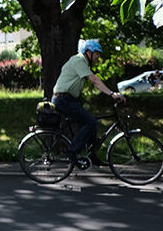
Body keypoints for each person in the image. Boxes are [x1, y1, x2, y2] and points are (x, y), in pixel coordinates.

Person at [51, 39, 125, 167]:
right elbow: (94, 80)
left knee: (91, 122)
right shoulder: (78, 60)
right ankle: (72, 152)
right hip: (63, 100)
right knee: (91, 122)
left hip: (68, 99)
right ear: (89, 52)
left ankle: (92, 156)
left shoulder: (82, 63)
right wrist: (112, 94)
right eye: (97, 53)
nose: (98, 57)